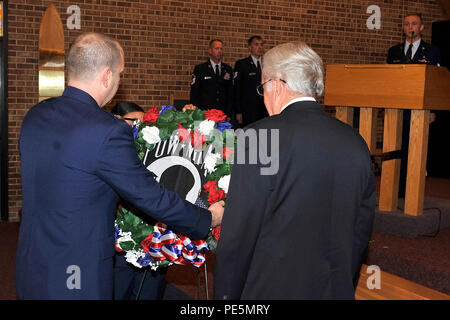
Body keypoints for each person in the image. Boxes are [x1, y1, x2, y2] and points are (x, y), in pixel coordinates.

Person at [16, 32, 224, 300]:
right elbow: (150, 196)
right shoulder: (107, 130)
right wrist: (207, 218)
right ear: (106, 76)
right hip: (75, 270)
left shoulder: (36, 115)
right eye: (119, 74)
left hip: (32, 260)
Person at [214, 41, 376, 300]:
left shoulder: (258, 138)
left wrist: (226, 298)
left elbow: (239, 238)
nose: (263, 96)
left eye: (262, 87)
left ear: (276, 85)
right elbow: (360, 230)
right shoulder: (355, 141)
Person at [386, 13, 441, 197]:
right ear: (403, 27)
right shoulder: (394, 51)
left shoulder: (432, 51)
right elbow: (388, 80)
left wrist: (433, 110)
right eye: (407, 24)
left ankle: (413, 191)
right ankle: (397, 190)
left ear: (421, 27)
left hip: (420, 110)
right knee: (396, 150)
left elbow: (435, 83)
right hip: (397, 110)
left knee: (415, 150)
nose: (410, 27)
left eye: (414, 24)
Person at [190, 39, 233, 118]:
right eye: (216, 48)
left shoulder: (228, 69)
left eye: (221, 49)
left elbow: (230, 93)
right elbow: (194, 93)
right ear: (210, 51)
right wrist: (195, 113)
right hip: (205, 113)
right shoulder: (200, 69)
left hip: (222, 114)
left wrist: (229, 113)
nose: (219, 51)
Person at [233, 35, 267, 127]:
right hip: (248, 109)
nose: (259, 47)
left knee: (264, 137)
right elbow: (237, 89)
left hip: (265, 109)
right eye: (256, 44)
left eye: (261, 45)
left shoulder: (267, 64)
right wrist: (238, 111)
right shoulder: (242, 64)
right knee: (249, 137)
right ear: (250, 47)